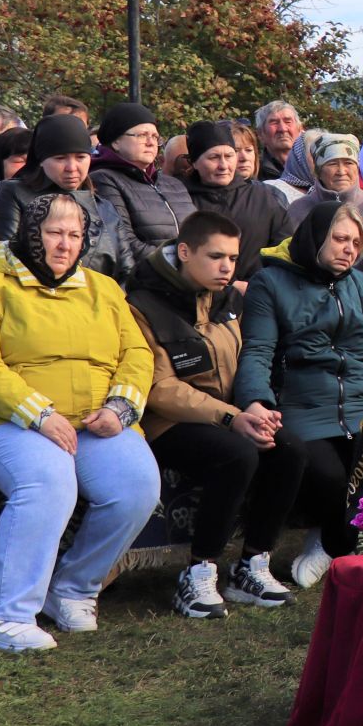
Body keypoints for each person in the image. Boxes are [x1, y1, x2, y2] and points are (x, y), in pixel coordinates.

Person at [0, 191, 159, 651]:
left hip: (91, 420)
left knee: (136, 484)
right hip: (0, 421)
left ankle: (73, 589)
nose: (64, 244)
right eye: (53, 233)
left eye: (74, 234)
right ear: (29, 234)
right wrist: (37, 413)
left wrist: (121, 407)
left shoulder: (102, 288)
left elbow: (137, 353)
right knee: (47, 477)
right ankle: (3, 620)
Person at [123, 211, 305, 619]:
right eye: (216, 256)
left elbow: (249, 360)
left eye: (233, 258)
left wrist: (256, 405)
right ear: (184, 252)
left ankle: (252, 564)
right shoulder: (142, 303)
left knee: (289, 449)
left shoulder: (228, 299)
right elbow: (158, 389)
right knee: (236, 454)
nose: (227, 267)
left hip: (229, 413)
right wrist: (229, 417)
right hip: (167, 422)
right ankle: (199, 571)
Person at [234, 202, 363, 586]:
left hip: (361, 407)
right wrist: (255, 402)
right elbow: (258, 351)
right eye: (339, 239)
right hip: (301, 405)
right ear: (316, 237)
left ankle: (331, 544)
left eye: (355, 242)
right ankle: (333, 541)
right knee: (332, 477)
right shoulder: (271, 283)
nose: (349, 249)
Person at [0, 114, 137, 283]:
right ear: (41, 160)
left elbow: (127, 270)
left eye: (80, 157)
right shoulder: (14, 192)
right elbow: (4, 258)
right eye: (60, 158)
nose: (71, 168)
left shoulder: (104, 207)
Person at [181, 120, 291, 284]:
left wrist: (261, 286)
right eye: (214, 157)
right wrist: (229, 286)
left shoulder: (265, 198)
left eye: (229, 156)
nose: (223, 165)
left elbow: (284, 249)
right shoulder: (180, 198)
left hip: (257, 294)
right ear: (195, 162)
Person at [89, 102, 197, 249]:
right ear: (116, 142)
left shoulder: (173, 184)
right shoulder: (103, 180)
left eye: (155, 137)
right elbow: (125, 242)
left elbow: (199, 232)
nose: (150, 143)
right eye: (142, 135)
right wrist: (176, 264)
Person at [288, 134, 363, 280]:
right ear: (318, 171)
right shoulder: (298, 210)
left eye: (348, 163)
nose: (341, 171)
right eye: (332, 163)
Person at [263, 127, 323, 205]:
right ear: (300, 157)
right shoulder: (271, 189)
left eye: (324, 155)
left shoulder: (335, 192)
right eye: (314, 153)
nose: (321, 160)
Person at [254, 101, 304, 182]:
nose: (282, 129)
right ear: (260, 134)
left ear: (300, 129)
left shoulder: (316, 168)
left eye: (288, 122)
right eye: (274, 123)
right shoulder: (254, 174)